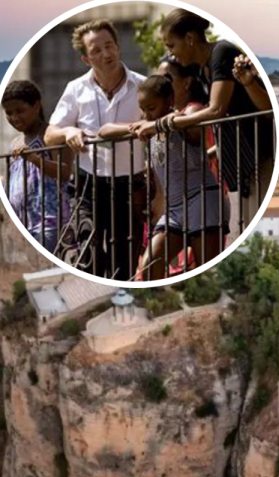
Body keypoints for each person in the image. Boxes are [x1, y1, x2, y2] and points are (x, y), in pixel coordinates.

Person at [132, 8, 275, 242]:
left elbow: (217, 110)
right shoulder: (203, 68)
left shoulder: (221, 52)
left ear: (189, 39)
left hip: (260, 153)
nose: (172, 54)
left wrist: (162, 125)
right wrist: (209, 153)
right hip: (246, 156)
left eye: (171, 46)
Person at [45, 19, 149, 281]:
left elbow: (156, 125)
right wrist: (69, 131)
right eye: (96, 50)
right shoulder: (75, 89)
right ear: (85, 58)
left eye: (109, 45)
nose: (106, 54)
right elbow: (50, 135)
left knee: (124, 261)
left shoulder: (142, 87)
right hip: (88, 187)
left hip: (130, 187)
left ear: (118, 47)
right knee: (89, 254)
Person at [101, 75, 227, 281]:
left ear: (169, 101)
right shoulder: (148, 127)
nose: (146, 114)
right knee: (151, 265)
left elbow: (196, 125)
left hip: (201, 200)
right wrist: (137, 127)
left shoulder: (184, 116)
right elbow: (104, 131)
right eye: (142, 109)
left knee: (207, 270)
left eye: (151, 108)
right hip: (175, 209)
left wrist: (160, 125)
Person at [2, 80, 73, 253]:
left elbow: (64, 172)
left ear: (36, 106)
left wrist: (34, 158)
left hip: (48, 223)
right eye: (9, 113)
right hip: (21, 224)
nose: (15, 118)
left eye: (20, 111)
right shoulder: (15, 143)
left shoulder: (50, 135)